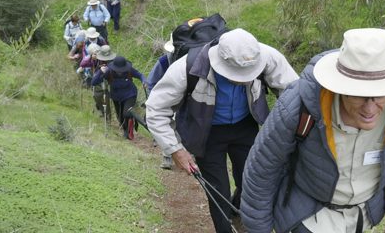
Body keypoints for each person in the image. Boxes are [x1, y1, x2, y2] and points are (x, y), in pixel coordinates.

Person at [240, 28, 385, 233]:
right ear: (341, 87)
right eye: (358, 96)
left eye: (379, 96)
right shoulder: (300, 104)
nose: (369, 109)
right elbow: (262, 167)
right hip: (310, 216)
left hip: (364, 214)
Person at [146, 29, 299, 233]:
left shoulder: (266, 57)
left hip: (246, 126)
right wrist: (176, 149)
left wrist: (294, 132)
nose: (243, 79)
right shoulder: (187, 67)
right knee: (218, 192)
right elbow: (156, 108)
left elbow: (295, 95)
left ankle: (239, 215)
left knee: (253, 182)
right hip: (207, 134)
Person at [91, 55, 148, 140]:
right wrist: (100, 72)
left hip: (130, 94)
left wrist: (144, 81)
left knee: (126, 113)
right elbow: (94, 82)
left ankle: (129, 127)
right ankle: (125, 130)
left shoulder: (129, 71)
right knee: (120, 116)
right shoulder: (108, 71)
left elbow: (140, 75)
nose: (120, 71)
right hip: (116, 96)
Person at [145, 38, 176, 169]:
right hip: (166, 99)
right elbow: (151, 82)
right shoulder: (163, 62)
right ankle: (167, 156)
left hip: (187, 98)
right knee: (168, 126)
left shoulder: (192, 59)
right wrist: (156, 99)